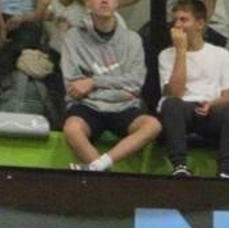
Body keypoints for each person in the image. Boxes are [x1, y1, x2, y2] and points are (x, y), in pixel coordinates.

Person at [61, 0, 162, 173]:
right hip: (87, 106)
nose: (105, 1)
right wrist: (120, 91)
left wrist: (93, 82)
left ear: (117, 3)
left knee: (152, 125)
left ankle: (100, 166)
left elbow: (136, 83)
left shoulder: (132, 39)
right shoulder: (73, 38)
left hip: (124, 107)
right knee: (72, 129)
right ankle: (108, 175)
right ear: (87, 4)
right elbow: (73, 86)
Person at [157, 0, 229, 178]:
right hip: (182, 110)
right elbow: (175, 93)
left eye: (184, 20)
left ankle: (225, 171)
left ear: (200, 23)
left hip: (211, 109)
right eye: (175, 20)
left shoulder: (220, 54)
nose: (177, 25)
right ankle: (180, 166)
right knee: (171, 104)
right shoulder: (166, 55)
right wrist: (181, 51)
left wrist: (212, 103)